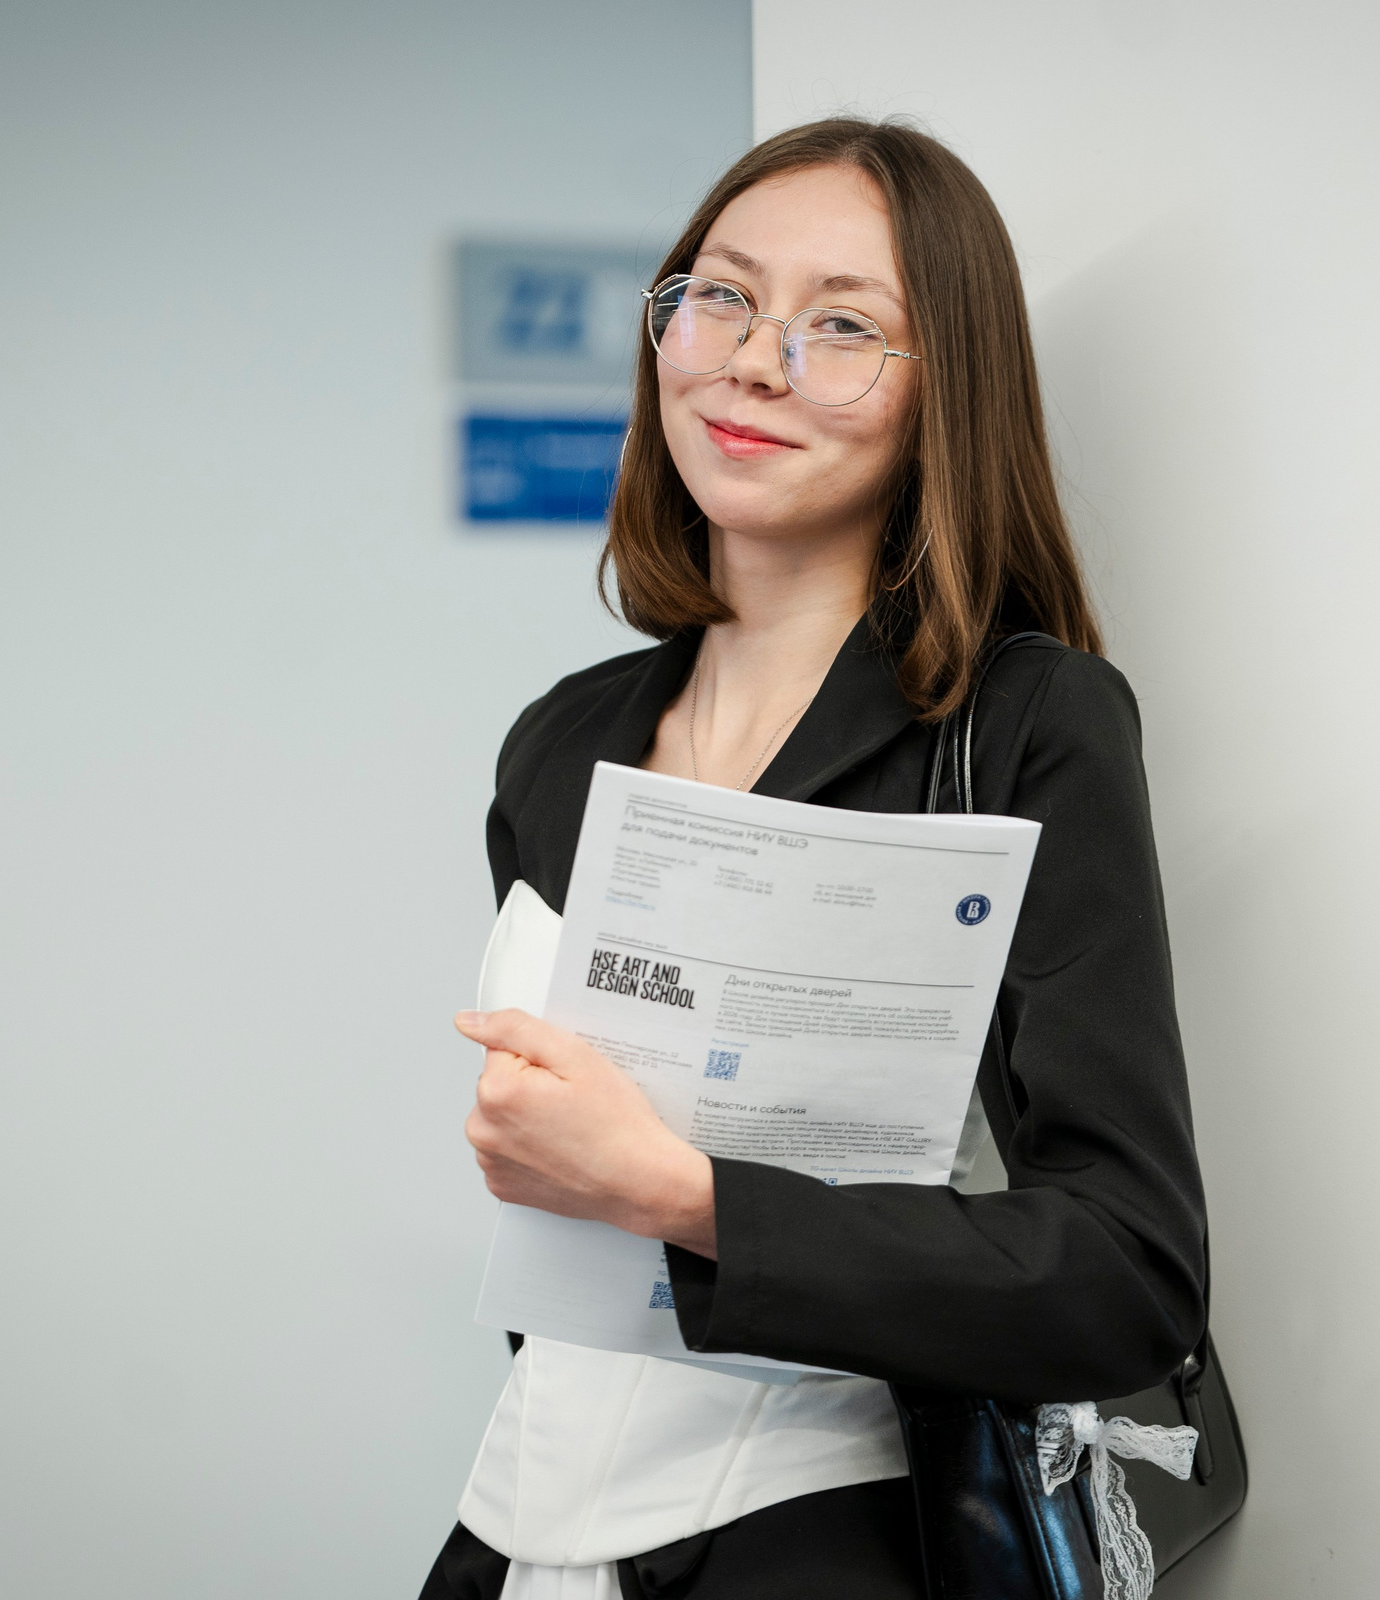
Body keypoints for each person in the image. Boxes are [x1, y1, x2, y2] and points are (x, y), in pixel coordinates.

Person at [420, 118, 1207, 1600]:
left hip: (816, 1532)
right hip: (521, 1529)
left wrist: (686, 1196)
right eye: (718, 295)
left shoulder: (1025, 723)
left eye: (844, 326)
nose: (755, 361)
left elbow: (1129, 1273)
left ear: (942, 396)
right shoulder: (560, 746)